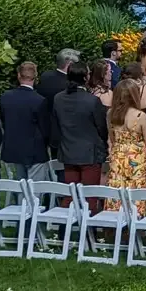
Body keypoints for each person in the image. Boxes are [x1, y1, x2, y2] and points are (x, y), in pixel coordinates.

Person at [51, 66, 108, 212]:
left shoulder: (58, 98)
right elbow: (101, 127)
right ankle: (89, 232)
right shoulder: (92, 101)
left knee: (70, 195)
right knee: (90, 196)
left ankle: (66, 228)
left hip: (68, 151)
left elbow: (56, 124)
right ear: (85, 78)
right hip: (90, 154)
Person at [102, 80, 146, 214]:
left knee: (117, 187)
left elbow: (111, 138)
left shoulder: (110, 114)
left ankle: (114, 221)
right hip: (137, 159)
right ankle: (137, 217)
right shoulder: (140, 116)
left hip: (118, 156)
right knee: (136, 190)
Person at [0, 62, 50, 181]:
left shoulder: (6, 97)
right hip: (35, 151)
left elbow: (4, 121)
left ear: (18, 75)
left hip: (14, 148)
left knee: (20, 186)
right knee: (35, 190)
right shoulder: (39, 100)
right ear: (35, 77)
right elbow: (45, 128)